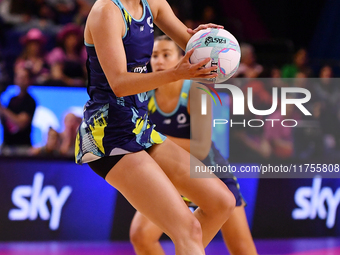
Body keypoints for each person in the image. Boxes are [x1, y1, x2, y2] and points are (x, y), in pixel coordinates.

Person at [75, 0, 236, 254]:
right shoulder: (107, 11)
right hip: (109, 136)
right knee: (187, 231)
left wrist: (209, 42)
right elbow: (119, 83)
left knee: (222, 202)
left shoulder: (154, 3)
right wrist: (175, 73)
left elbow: (192, 48)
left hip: (140, 129)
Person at [129, 35, 258, 255]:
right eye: (154, 55)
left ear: (181, 59)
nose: (159, 61)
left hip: (210, 172)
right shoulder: (145, 95)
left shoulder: (196, 91)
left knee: (242, 249)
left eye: (166, 55)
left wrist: (152, 138)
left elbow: (201, 146)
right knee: (141, 236)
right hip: (174, 176)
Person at [0, 66, 36, 155]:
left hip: (22, 148)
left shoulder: (30, 101)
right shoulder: (12, 99)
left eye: (23, 78)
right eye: (18, 77)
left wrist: (3, 110)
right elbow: (6, 122)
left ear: (29, 80)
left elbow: (21, 124)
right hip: (7, 145)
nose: (20, 80)